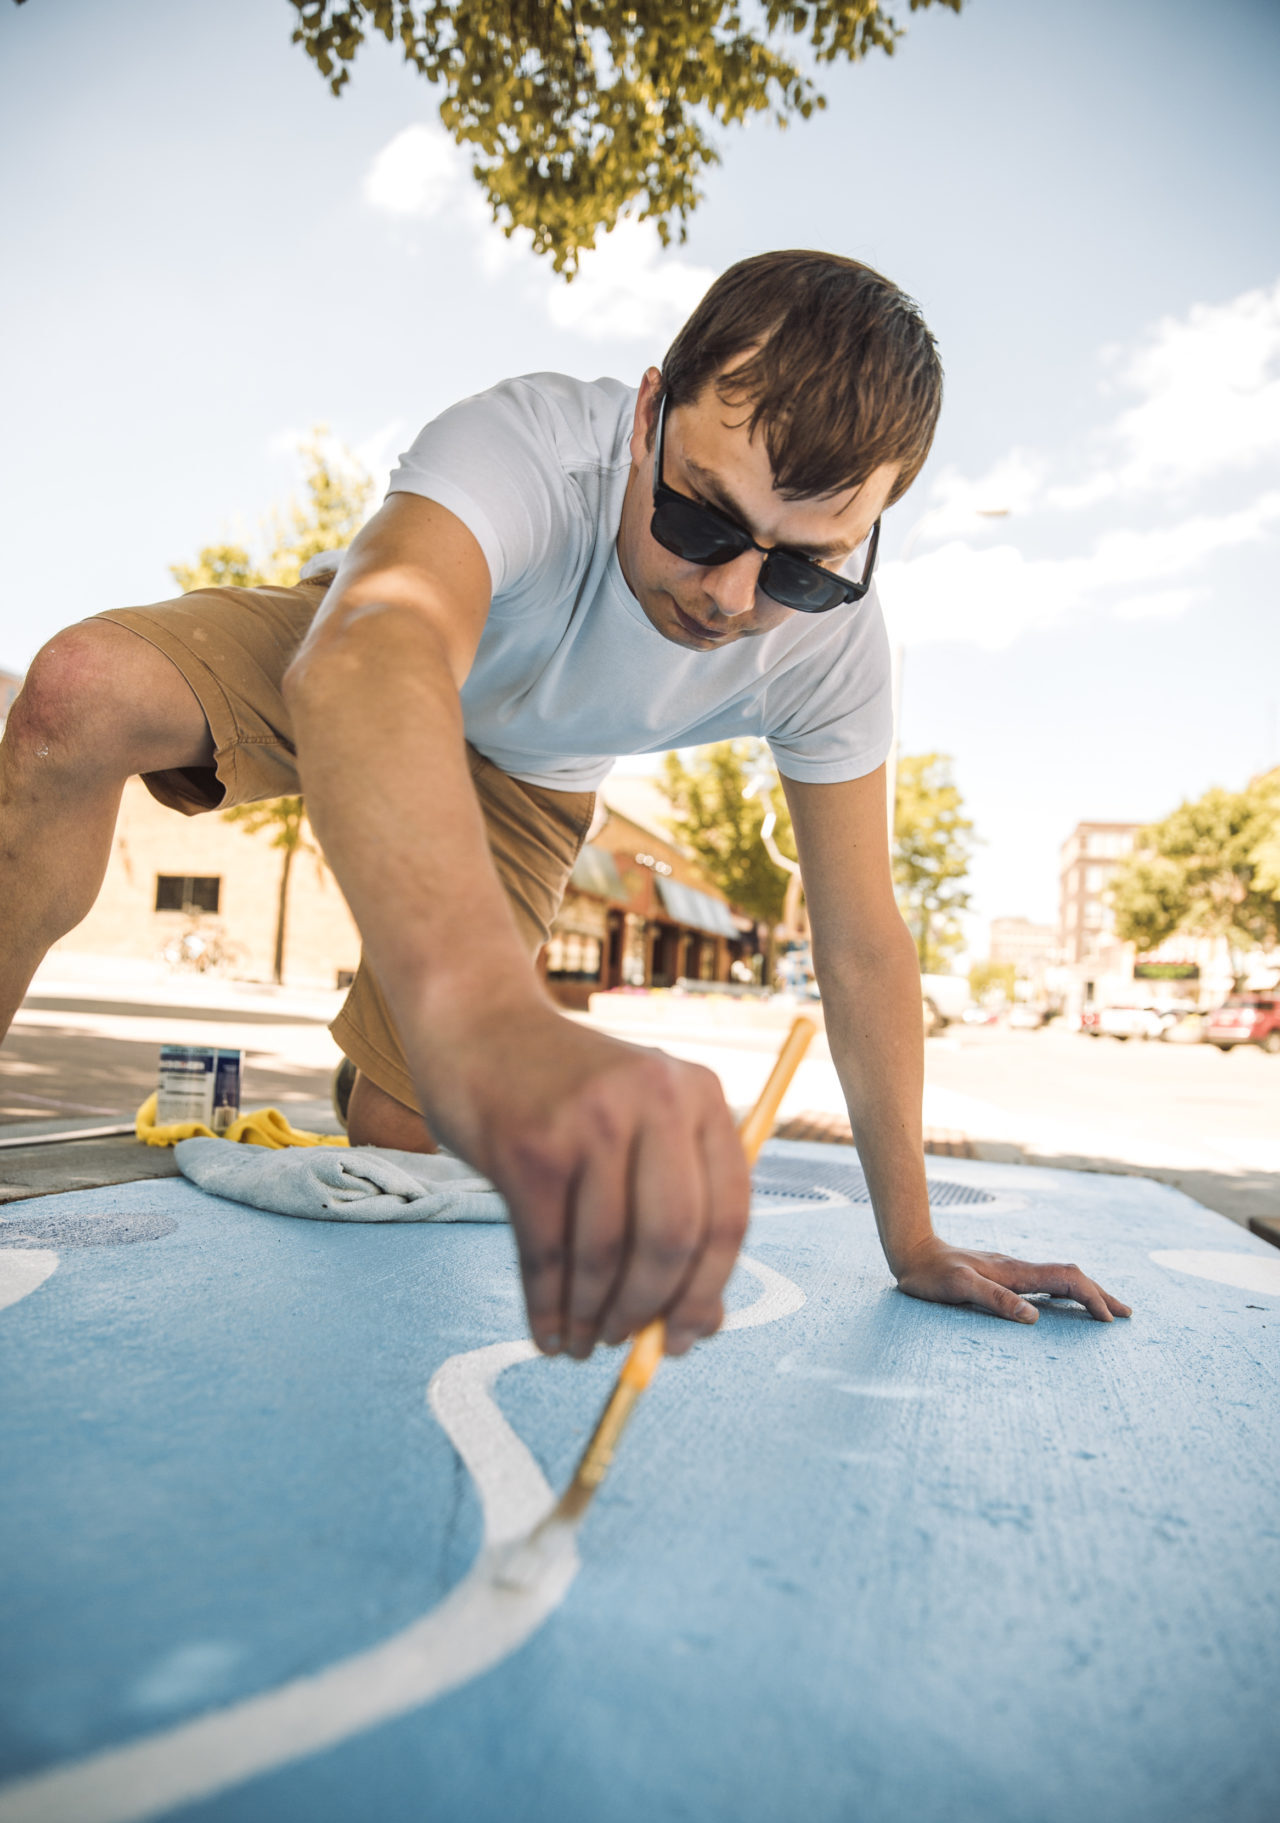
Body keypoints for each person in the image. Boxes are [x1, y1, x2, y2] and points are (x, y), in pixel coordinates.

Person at [0, 250, 1130, 1353]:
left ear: (866, 536)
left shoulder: (834, 651)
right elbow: (365, 657)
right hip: (375, 663)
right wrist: (484, 1014)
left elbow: (861, 939)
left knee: (402, 1147)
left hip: (534, 785)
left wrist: (913, 1236)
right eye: (700, 519)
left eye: (802, 567)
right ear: (645, 416)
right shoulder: (530, 445)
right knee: (82, 693)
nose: (731, 597)